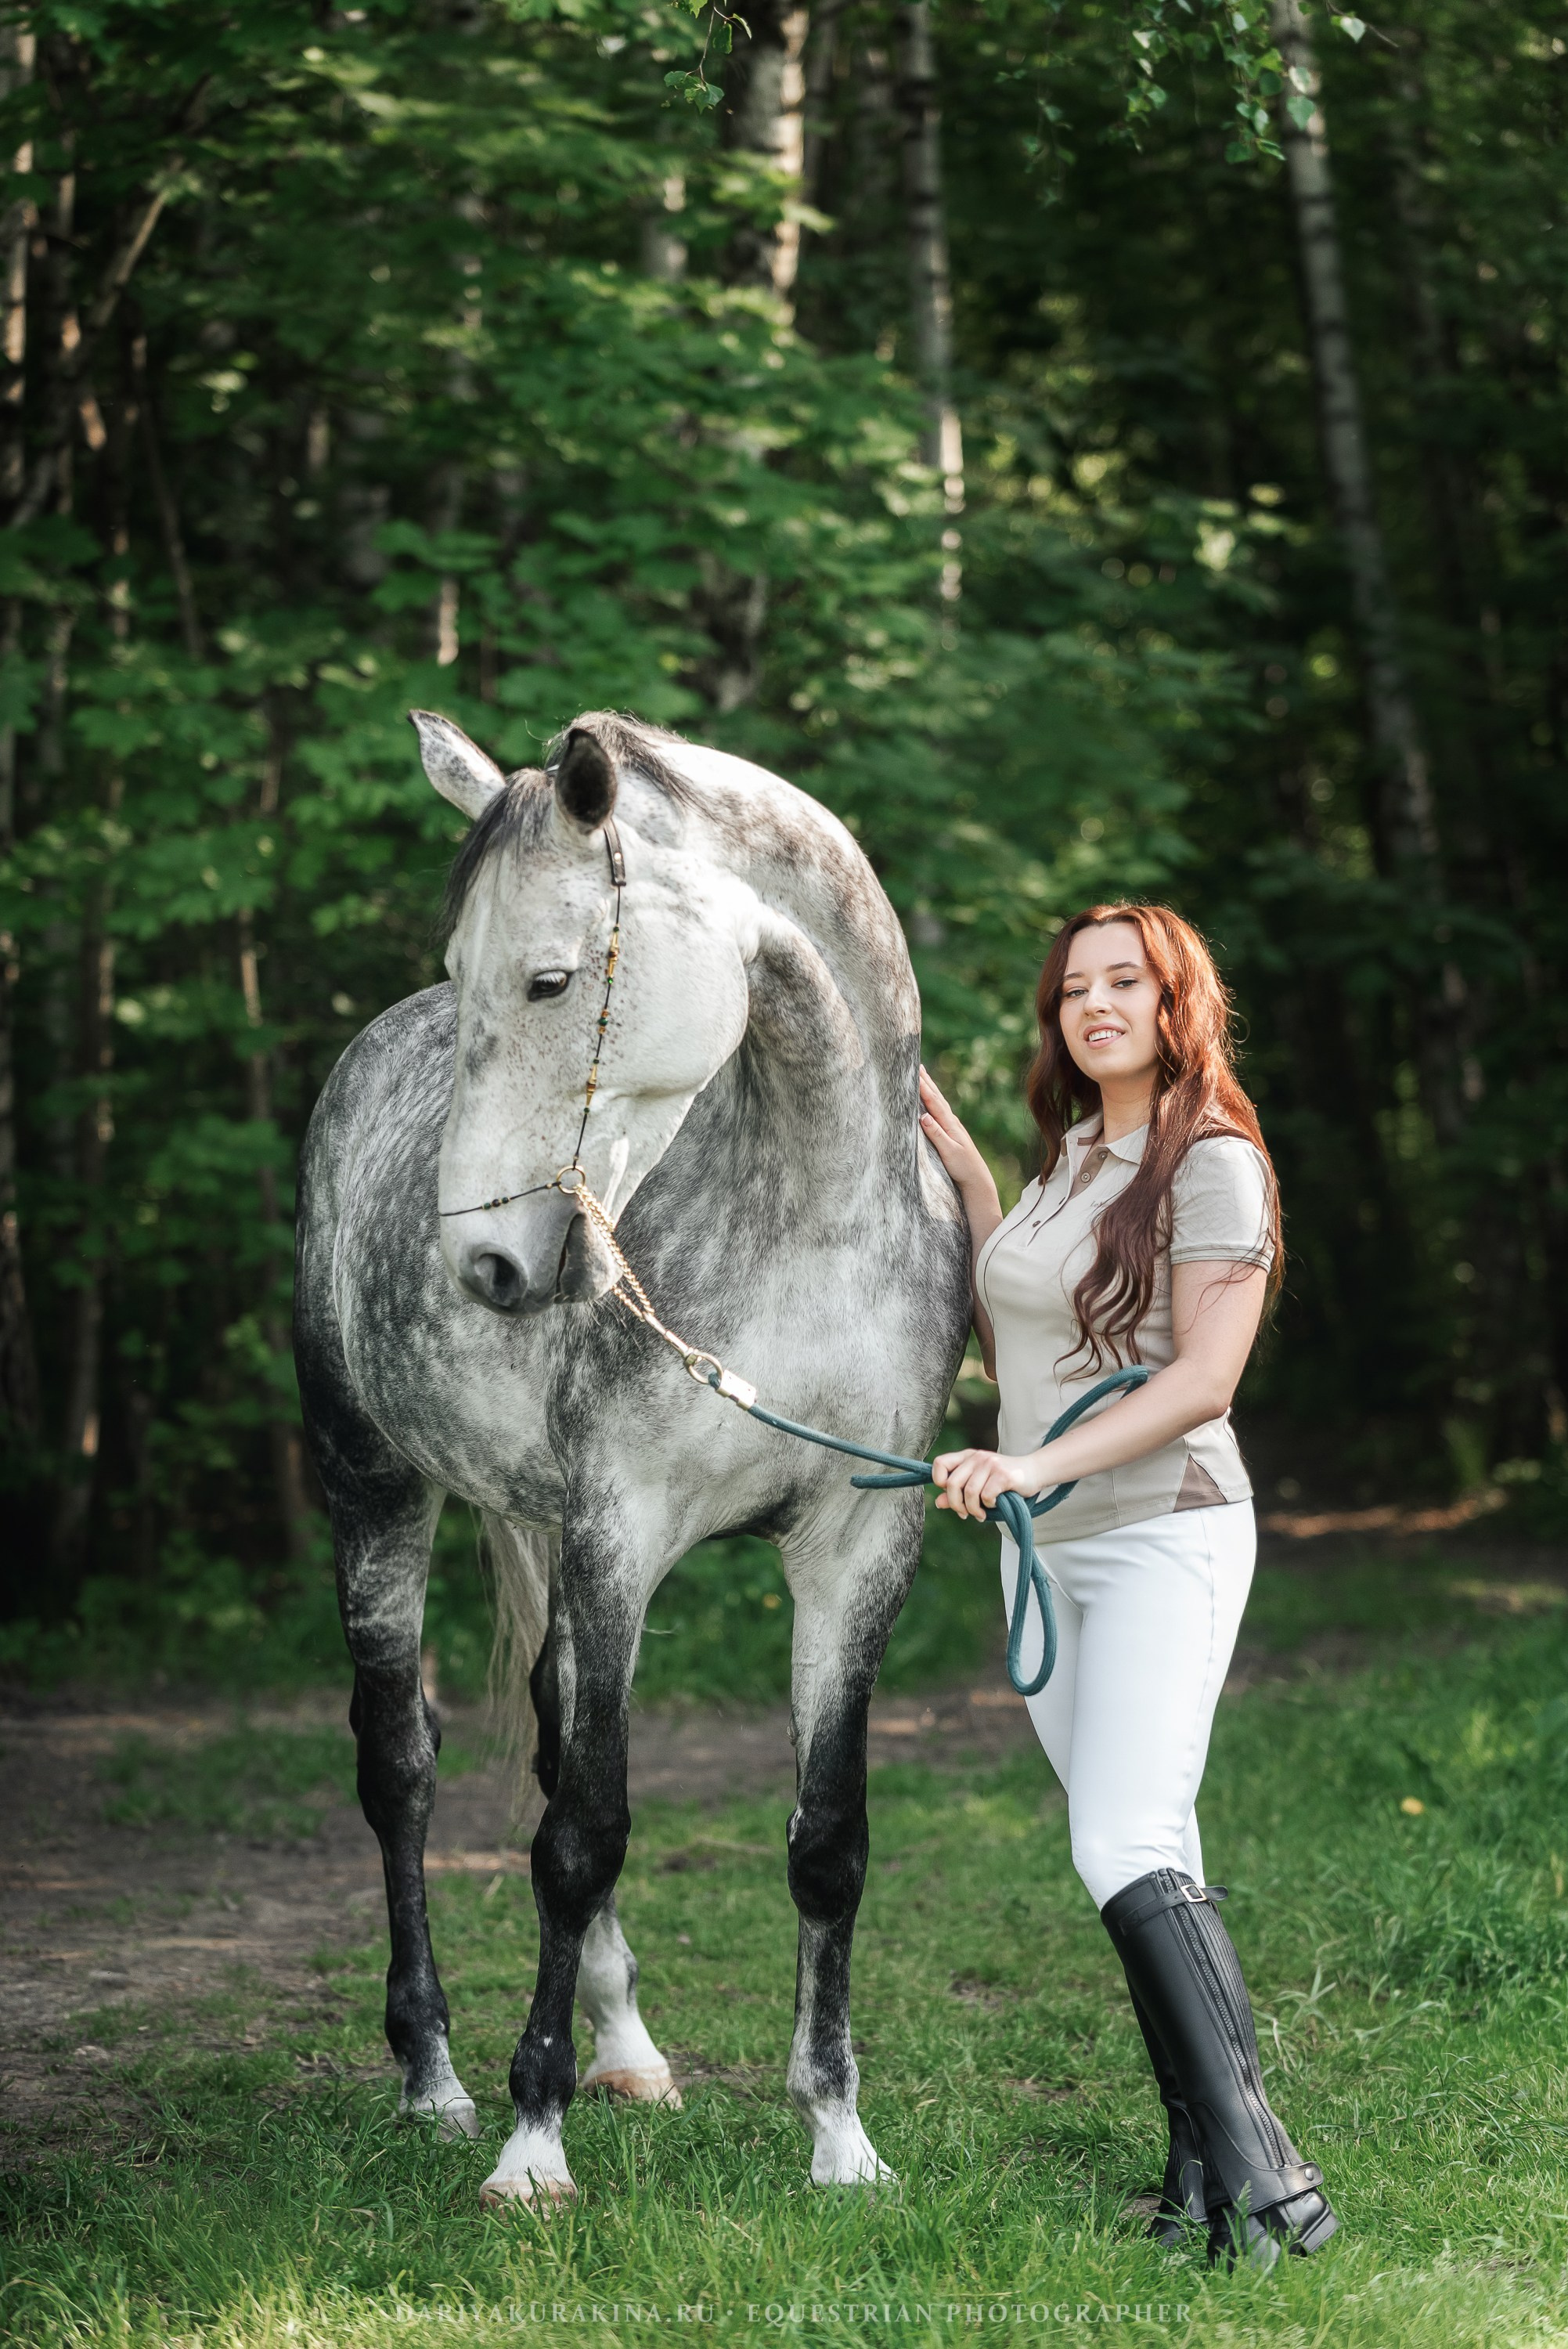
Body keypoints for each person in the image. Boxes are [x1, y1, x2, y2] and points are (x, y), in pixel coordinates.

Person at [917, 902, 1336, 2272]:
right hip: (1051, 1548)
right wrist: (978, 1190)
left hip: (1167, 1533)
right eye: (1073, 990)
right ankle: (1200, 2176)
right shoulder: (1067, 1162)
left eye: (1125, 983)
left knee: (1121, 1842)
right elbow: (1023, 1346)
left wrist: (1030, 1467)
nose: (1094, 1005)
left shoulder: (1211, 1159)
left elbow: (1205, 1379)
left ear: (1176, 1005)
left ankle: (1274, 2186)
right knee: (1153, 1845)